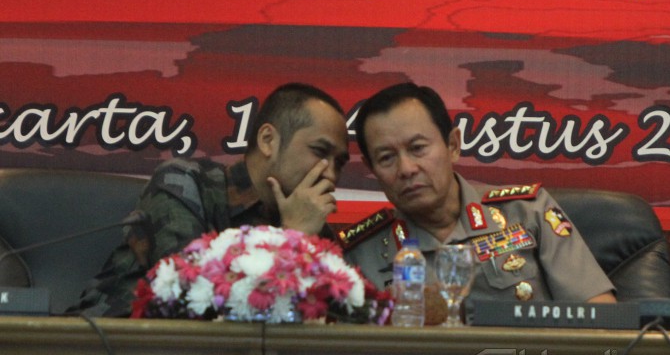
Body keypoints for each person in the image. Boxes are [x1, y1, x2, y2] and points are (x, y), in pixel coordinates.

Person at [74, 83, 350, 317]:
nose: (331, 174)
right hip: (106, 347)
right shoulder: (185, 182)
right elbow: (192, 299)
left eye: (339, 163)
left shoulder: (313, 226)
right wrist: (293, 239)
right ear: (268, 140)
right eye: (319, 151)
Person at [341, 82, 616, 306]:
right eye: (386, 158)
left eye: (418, 148)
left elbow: (600, 316)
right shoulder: (360, 256)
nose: (406, 169)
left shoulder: (527, 212)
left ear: (453, 146)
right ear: (371, 168)